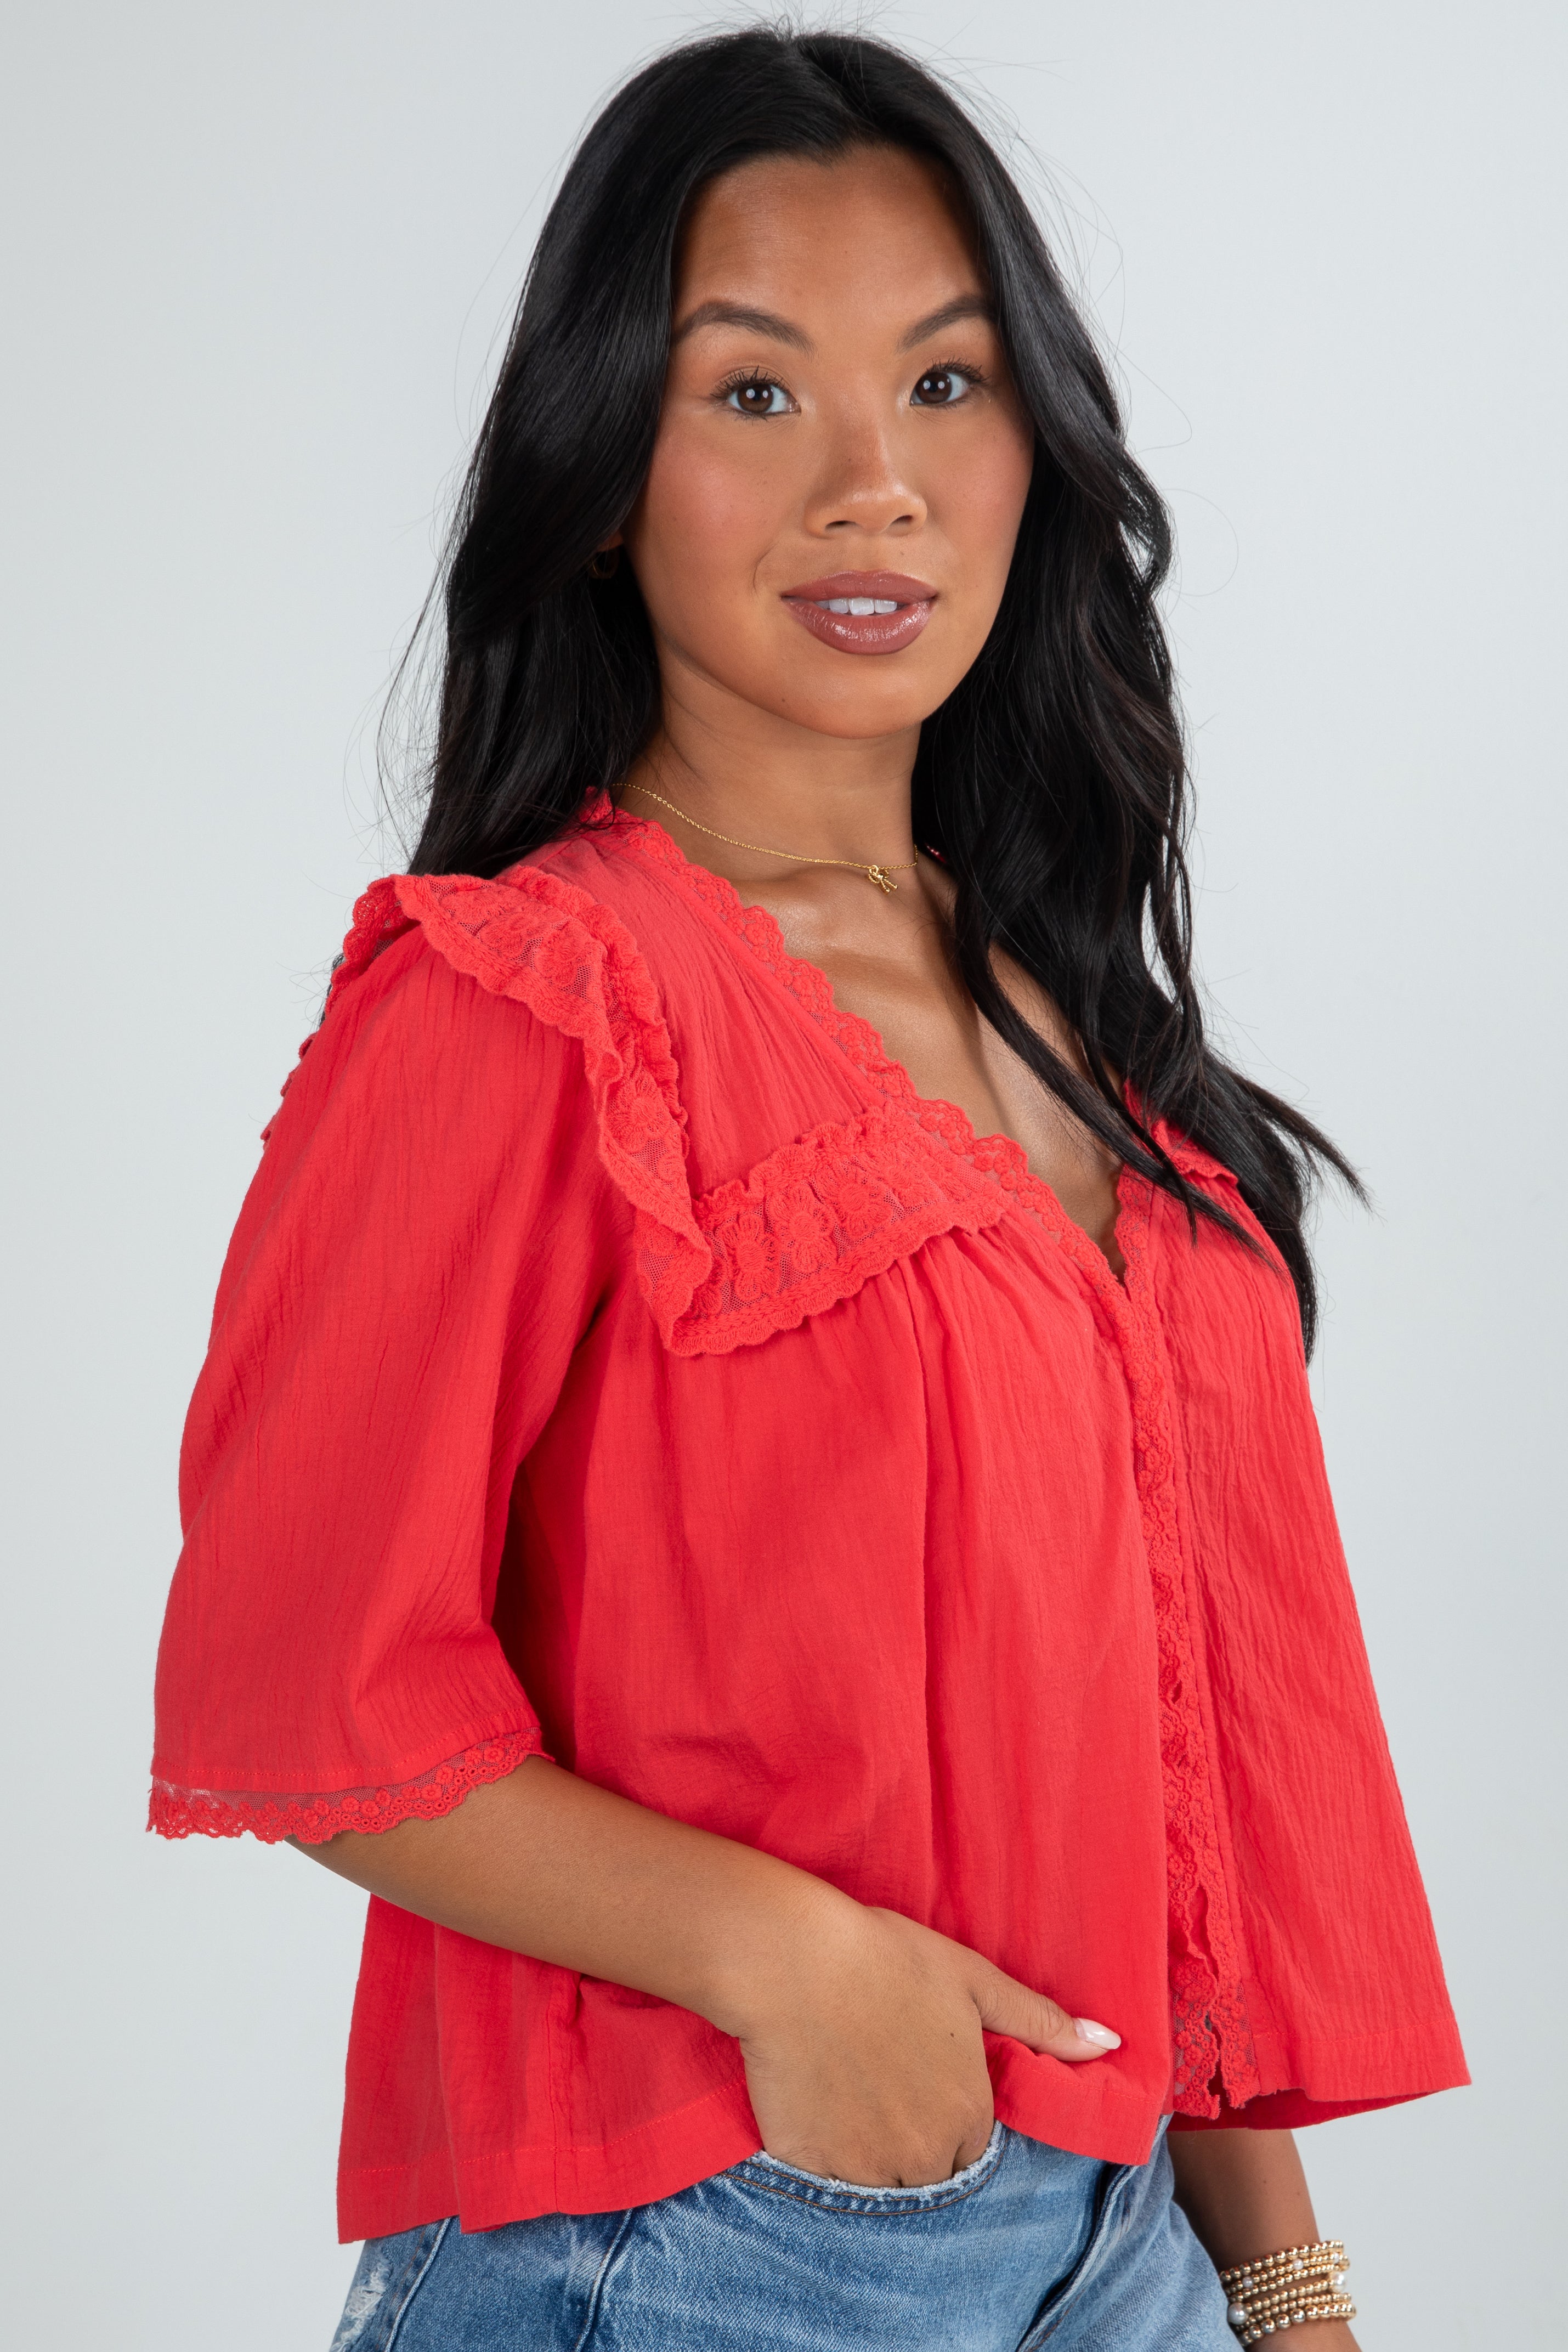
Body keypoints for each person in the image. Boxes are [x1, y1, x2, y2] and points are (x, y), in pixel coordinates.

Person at [150, 28, 1466, 2351]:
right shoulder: (521, 999)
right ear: (595, 474)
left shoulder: (1084, 1028)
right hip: (720, 2240)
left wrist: (1282, 2279)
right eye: (752, 395)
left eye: (946, 387)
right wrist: (800, 1969)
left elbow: (1175, 1755)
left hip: (1124, 2246)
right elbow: (303, 1688)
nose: (874, 484)